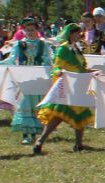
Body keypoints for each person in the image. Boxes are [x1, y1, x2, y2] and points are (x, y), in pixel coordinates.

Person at [33, 24, 95, 154]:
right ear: (71, 34)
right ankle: (40, 141)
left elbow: (82, 68)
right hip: (68, 87)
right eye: (78, 33)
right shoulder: (63, 49)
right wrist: (59, 72)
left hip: (78, 86)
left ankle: (79, 144)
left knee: (80, 113)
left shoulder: (77, 49)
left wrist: (93, 72)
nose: (80, 35)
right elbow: (56, 67)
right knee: (59, 115)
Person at [0, 16, 56, 144]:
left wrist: (48, 70)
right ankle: (26, 134)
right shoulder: (20, 45)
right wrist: (0, 64)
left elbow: (48, 59)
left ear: (37, 30)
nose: (30, 32)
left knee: (36, 103)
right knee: (24, 104)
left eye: (32, 30)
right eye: (28, 30)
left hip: (37, 78)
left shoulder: (42, 44)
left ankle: (36, 133)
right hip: (24, 78)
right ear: (24, 31)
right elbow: (12, 59)